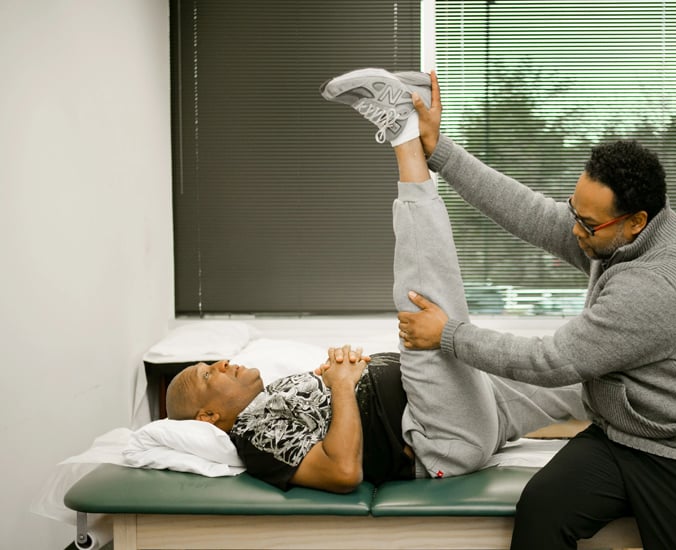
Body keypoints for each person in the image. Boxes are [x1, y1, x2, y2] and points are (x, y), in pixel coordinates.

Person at [164, 68, 588, 495]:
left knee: (587, 378)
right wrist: (343, 386)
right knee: (423, 310)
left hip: (465, 410)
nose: (220, 363)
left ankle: (651, 408)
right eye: (206, 375)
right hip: (435, 436)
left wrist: (332, 378)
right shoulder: (254, 437)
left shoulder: (273, 398)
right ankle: (404, 131)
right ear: (208, 417)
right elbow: (342, 473)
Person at [395, 70, 676, 549]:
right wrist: (439, 150)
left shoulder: (656, 285)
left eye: (587, 223)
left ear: (635, 222)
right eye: (575, 211)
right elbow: (529, 211)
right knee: (542, 510)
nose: (574, 229)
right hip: (631, 433)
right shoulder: (616, 237)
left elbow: (550, 362)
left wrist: (448, 334)